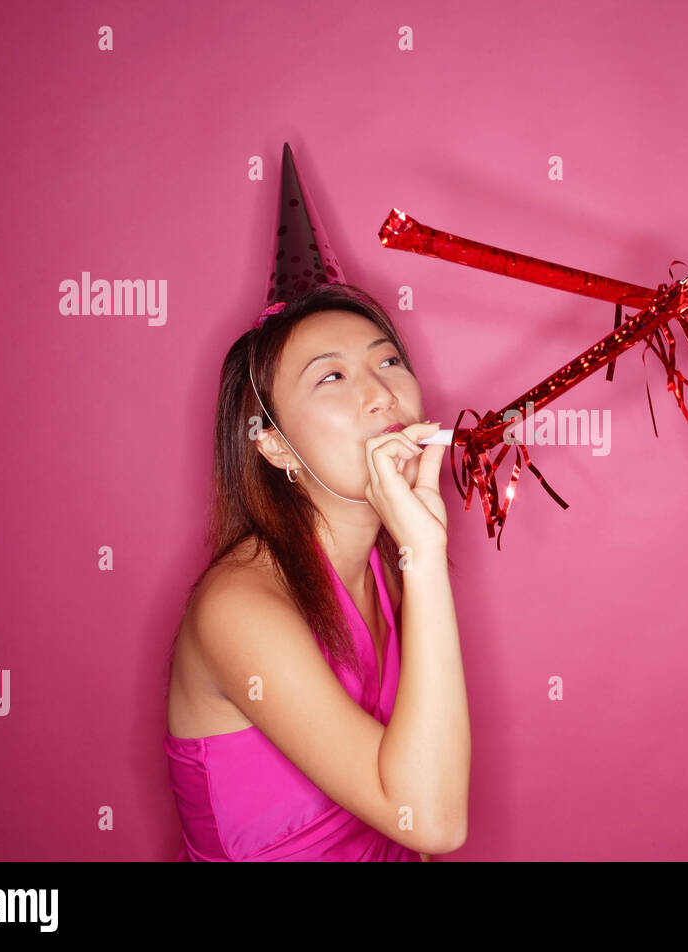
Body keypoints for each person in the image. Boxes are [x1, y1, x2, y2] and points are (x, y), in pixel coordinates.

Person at [163, 283, 470, 860]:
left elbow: (421, 785)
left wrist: (416, 555)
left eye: (389, 360)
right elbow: (433, 822)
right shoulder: (238, 611)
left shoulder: (387, 566)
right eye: (332, 377)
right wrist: (426, 553)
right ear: (275, 446)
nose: (382, 395)